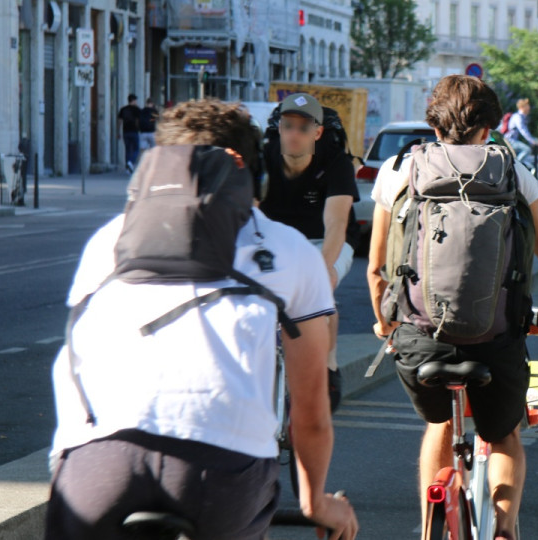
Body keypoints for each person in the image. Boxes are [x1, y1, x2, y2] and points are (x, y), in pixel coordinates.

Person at [46, 99, 358, 540]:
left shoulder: (108, 240)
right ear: (254, 176)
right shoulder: (288, 248)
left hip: (97, 465)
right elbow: (309, 411)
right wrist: (314, 502)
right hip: (220, 474)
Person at [367, 75, 538, 540]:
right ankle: (503, 529)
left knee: (439, 423)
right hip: (496, 339)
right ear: (489, 126)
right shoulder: (511, 171)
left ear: (434, 122)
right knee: (504, 433)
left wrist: (385, 321)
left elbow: (376, 269)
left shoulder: (400, 167)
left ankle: (431, 530)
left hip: (419, 340)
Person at [259, 93, 359, 399]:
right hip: (277, 239)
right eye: (288, 126)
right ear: (279, 129)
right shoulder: (263, 158)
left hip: (325, 239)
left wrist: (321, 271)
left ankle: (328, 366)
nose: (294, 134)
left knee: (321, 289)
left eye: (304, 128)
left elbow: (336, 226)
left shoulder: (335, 162)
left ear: (317, 132)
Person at [504, 98, 538, 162]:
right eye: (527, 106)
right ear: (522, 107)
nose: (529, 108)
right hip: (510, 141)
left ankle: (517, 165)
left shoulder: (521, 117)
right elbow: (523, 131)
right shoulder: (517, 117)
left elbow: (525, 132)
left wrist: (532, 140)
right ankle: (515, 166)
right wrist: (532, 141)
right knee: (527, 149)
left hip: (513, 140)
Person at [117, 94, 141, 173]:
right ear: (133, 100)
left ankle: (127, 167)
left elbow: (120, 121)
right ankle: (131, 162)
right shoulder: (137, 109)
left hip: (125, 132)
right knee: (136, 149)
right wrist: (139, 129)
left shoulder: (123, 109)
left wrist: (118, 132)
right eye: (135, 100)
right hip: (134, 131)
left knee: (127, 150)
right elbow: (138, 121)